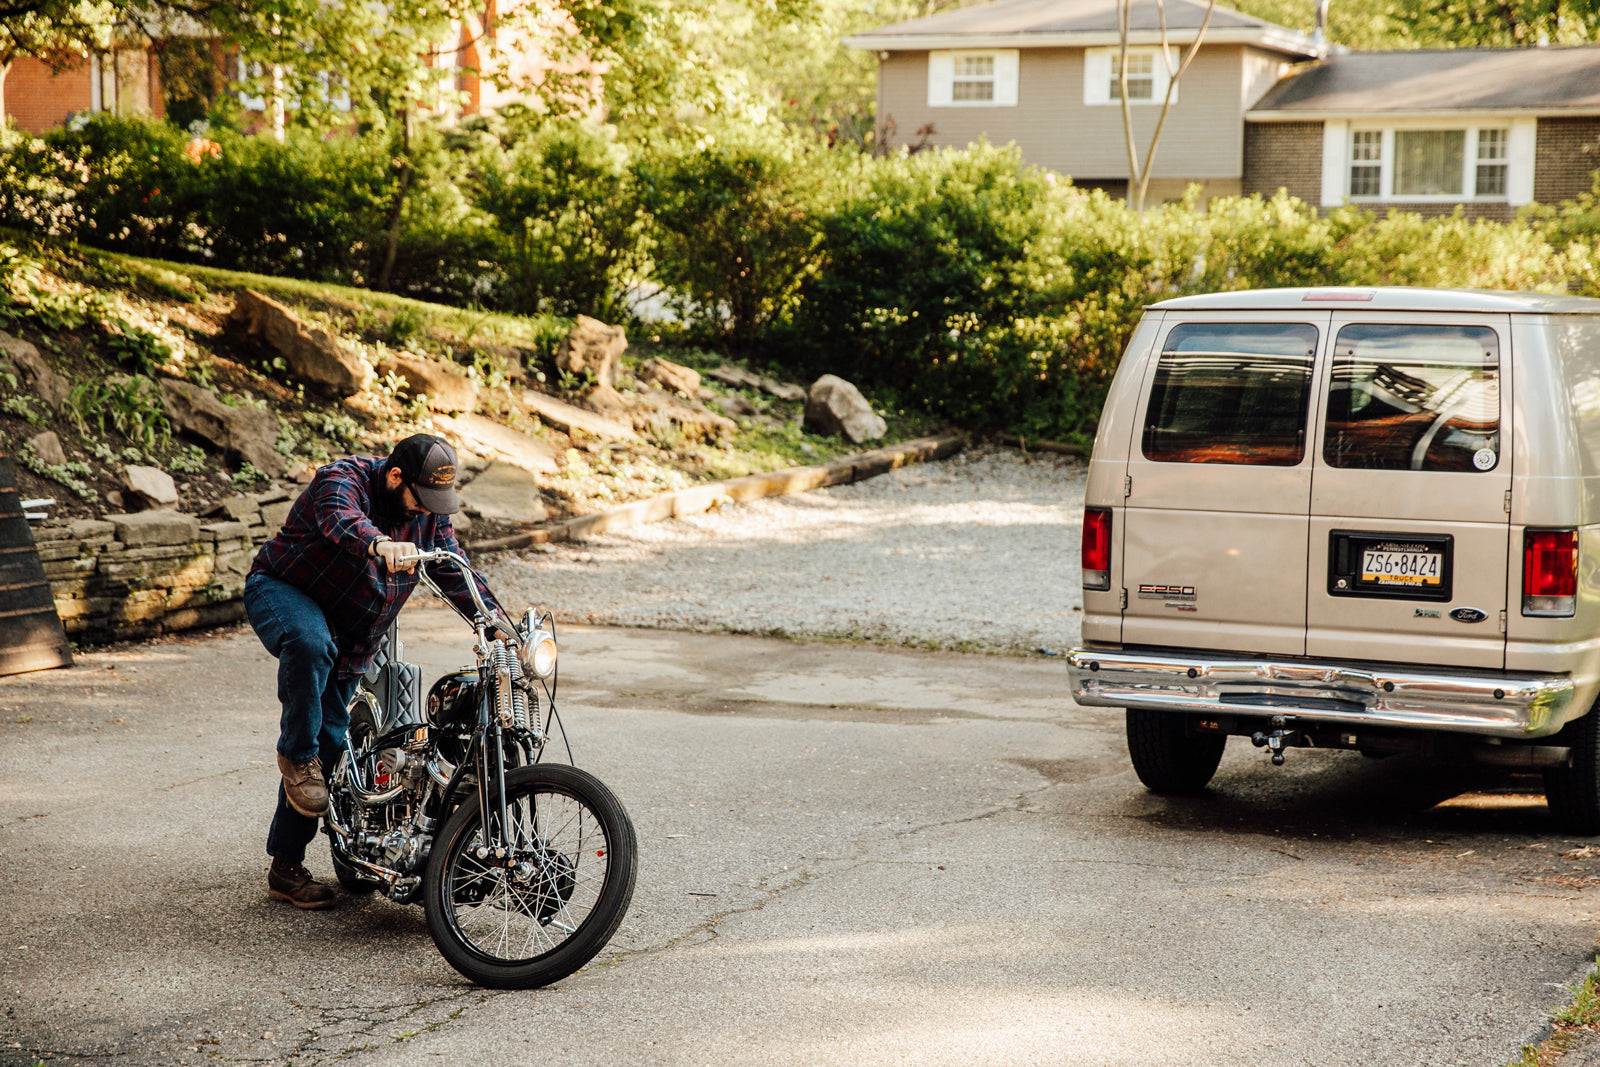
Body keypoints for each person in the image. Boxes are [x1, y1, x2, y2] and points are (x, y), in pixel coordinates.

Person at [243, 433, 505, 909]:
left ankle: (285, 867)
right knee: (308, 645)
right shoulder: (342, 480)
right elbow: (340, 518)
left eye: (435, 503)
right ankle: (294, 754)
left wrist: (498, 623)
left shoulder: (430, 516)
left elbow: (454, 569)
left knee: (329, 746)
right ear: (394, 475)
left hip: (353, 639)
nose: (427, 511)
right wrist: (379, 543)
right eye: (420, 499)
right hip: (282, 593)